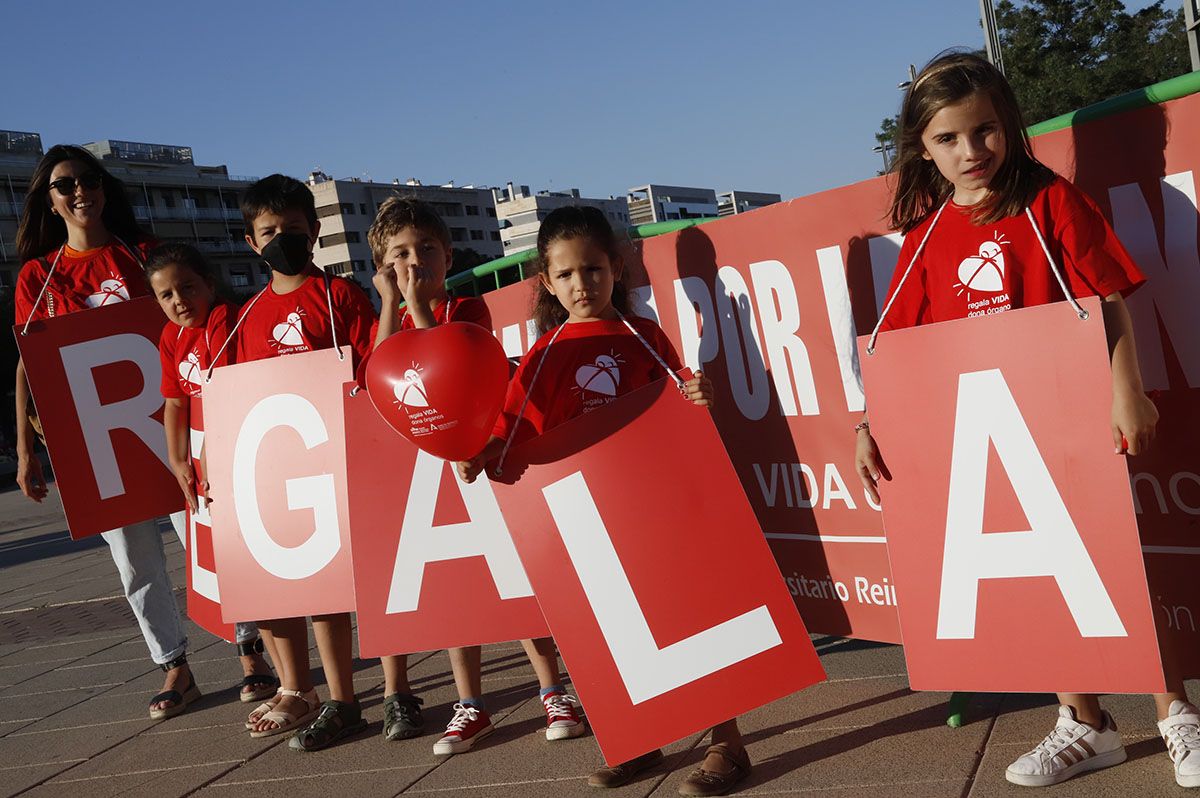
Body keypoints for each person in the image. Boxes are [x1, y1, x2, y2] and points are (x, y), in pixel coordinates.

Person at [854, 51, 1198, 790]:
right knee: (1042, 583)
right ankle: (1084, 721)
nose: (972, 151)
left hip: (1072, 421)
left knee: (1112, 569)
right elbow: (901, 350)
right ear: (923, 147)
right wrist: (866, 421)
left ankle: (1175, 713)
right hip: (991, 434)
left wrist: (1126, 391)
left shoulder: (1050, 203)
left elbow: (1110, 300)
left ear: (1007, 125)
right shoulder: (925, 237)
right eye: (949, 139)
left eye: (984, 130)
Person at [456, 206, 747, 796]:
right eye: (566, 275)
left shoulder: (644, 335)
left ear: (616, 269)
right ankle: (638, 739)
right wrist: (480, 451)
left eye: (592, 269)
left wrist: (699, 394)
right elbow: (513, 427)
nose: (581, 284)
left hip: (657, 509)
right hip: (590, 517)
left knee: (694, 620)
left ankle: (727, 743)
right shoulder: (544, 353)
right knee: (610, 630)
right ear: (547, 281)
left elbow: (681, 401)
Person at [12, 144, 271, 720]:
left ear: (103, 188)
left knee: (207, 537)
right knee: (134, 558)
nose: (79, 190)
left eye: (88, 179)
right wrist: (28, 451)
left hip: (174, 423)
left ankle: (251, 645)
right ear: (49, 201)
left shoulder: (147, 255)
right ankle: (173, 663)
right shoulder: (38, 275)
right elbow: (29, 364)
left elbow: (200, 326)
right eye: (64, 184)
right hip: (97, 441)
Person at [366, 196, 587, 754]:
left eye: (427, 250)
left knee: (516, 582)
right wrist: (392, 304)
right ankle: (471, 703)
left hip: (484, 464)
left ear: (447, 255)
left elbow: (442, 360)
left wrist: (417, 309)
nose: (415, 263)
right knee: (456, 592)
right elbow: (382, 369)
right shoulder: (389, 314)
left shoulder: (466, 308)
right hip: (429, 479)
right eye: (400, 255)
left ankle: (552, 688)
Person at [230, 174, 375, 750]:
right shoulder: (247, 315)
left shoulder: (340, 298)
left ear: (314, 233)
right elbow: (237, 395)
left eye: (293, 229)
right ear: (251, 242)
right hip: (272, 472)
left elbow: (366, 370)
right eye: (270, 232)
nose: (282, 239)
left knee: (326, 588)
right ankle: (296, 688)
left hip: (329, 463)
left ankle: (343, 698)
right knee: (274, 588)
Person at [145, 242, 279, 704]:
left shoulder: (227, 321)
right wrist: (177, 460)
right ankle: (275, 666)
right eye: (166, 295)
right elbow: (175, 402)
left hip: (242, 457)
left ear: (208, 284)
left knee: (259, 569)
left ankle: (276, 666)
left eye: (187, 287)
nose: (179, 300)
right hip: (206, 466)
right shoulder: (170, 337)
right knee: (231, 569)